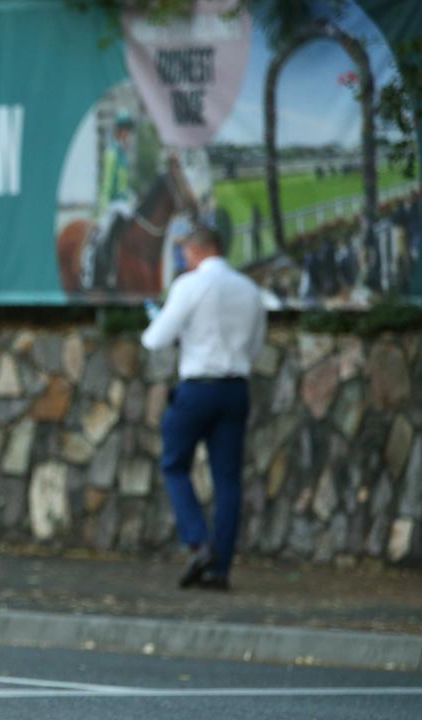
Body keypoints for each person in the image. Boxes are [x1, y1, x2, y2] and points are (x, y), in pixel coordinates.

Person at [141, 224, 266, 591]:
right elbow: (254, 348)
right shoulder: (249, 289)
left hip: (198, 389)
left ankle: (198, 543)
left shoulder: (191, 285)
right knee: (227, 479)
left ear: (196, 251)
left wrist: (164, 323)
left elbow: (155, 338)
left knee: (173, 463)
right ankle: (220, 568)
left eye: (185, 253)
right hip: (235, 389)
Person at [83, 110, 136, 291]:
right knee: (100, 237)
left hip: (123, 203)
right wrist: (103, 210)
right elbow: (107, 183)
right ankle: (90, 273)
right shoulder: (112, 153)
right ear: (119, 132)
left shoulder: (124, 155)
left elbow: (124, 185)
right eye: (126, 131)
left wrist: (131, 197)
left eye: (129, 131)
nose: (128, 135)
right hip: (112, 204)